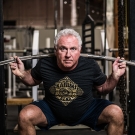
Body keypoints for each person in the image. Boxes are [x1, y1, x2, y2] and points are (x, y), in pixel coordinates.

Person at [9, 28, 126, 135]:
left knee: (116, 113)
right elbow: (32, 80)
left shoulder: (90, 65)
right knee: (25, 116)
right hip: (51, 110)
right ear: (56, 50)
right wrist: (22, 74)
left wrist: (115, 76)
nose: (68, 55)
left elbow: (104, 88)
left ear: (80, 50)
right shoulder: (45, 64)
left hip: (87, 110)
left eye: (73, 49)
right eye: (63, 48)